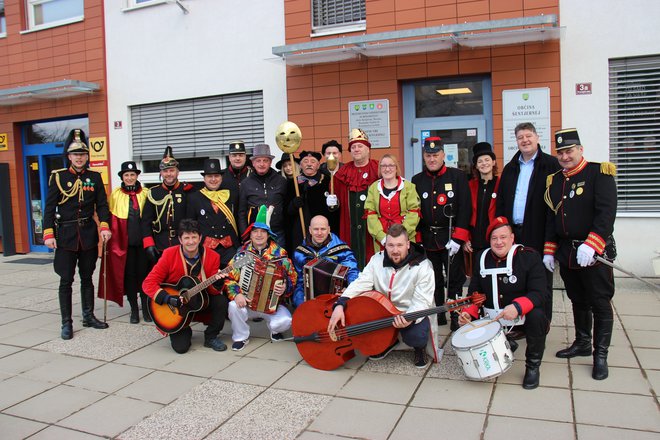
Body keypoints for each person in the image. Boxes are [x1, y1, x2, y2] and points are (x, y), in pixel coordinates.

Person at [543, 128, 617, 380]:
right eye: (561, 152)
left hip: (593, 253)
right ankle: (583, 342)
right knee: (577, 299)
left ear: (580, 149)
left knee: (600, 302)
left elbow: (606, 215)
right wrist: (550, 251)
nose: (565, 156)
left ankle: (601, 355)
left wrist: (592, 243)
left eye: (569, 151)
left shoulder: (600, 173)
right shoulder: (555, 181)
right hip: (568, 254)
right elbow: (553, 218)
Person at [328, 223, 436, 368]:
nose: (395, 250)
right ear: (385, 245)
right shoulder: (376, 260)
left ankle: (419, 348)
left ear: (408, 245)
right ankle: (389, 342)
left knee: (416, 336)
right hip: (382, 312)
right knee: (361, 320)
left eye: (400, 245)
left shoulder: (424, 266)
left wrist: (409, 317)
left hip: (409, 311)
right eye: (391, 245)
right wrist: (340, 303)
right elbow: (361, 282)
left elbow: (422, 301)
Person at [458, 216, 549, 389]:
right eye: (494, 238)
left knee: (537, 316)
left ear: (512, 238)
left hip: (521, 317)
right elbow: (474, 292)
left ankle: (533, 366)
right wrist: (468, 312)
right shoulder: (482, 258)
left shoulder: (529, 257)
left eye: (503, 237)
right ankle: (506, 342)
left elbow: (540, 293)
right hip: (493, 318)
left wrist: (517, 307)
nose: (499, 242)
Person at [43, 129, 111, 339]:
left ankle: (88, 315)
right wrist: (48, 234)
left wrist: (105, 226)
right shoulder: (59, 178)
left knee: (87, 277)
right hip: (66, 235)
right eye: (75, 154)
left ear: (87, 156)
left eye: (83, 154)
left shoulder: (95, 177)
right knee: (66, 280)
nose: (79, 157)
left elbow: (102, 205)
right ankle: (66, 322)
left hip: (88, 234)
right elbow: (49, 207)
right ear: (69, 157)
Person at [496, 122, 561, 323]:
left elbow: (556, 206)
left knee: (540, 281)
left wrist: (551, 244)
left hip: (539, 232)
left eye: (528, 136)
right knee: (515, 278)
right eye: (520, 137)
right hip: (514, 233)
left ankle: (541, 324)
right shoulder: (510, 168)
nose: (524, 140)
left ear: (537, 137)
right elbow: (501, 202)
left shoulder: (551, 165)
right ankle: (519, 322)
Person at [142, 219, 229, 353]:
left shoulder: (213, 257)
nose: (191, 241)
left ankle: (211, 336)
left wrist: (217, 283)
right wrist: (168, 299)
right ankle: (184, 328)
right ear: (180, 240)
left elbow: (212, 292)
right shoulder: (169, 254)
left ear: (200, 238)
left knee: (221, 301)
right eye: (186, 238)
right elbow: (148, 283)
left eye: (194, 237)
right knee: (181, 348)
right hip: (176, 308)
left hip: (200, 302)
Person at [411, 137, 471, 329]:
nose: (432, 159)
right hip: (429, 238)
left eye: (435, 155)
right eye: (428, 155)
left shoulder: (458, 176)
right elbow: (416, 211)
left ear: (443, 155)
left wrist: (458, 238)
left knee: (455, 278)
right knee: (433, 278)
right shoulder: (417, 180)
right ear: (424, 157)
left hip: (451, 236)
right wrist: (418, 238)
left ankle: (455, 313)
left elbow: (465, 209)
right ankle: (439, 313)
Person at [225, 205, 297, 351]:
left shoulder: (280, 255)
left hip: (272, 306)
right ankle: (241, 337)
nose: (259, 235)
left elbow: (293, 278)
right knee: (233, 306)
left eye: (262, 232)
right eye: (255, 232)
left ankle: (275, 330)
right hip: (247, 303)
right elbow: (229, 278)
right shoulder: (242, 255)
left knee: (286, 321)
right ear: (250, 235)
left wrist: (285, 287)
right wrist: (237, 294)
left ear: (268, 234)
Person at [98, 161, 151, 323]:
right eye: (126, 175)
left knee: (145, 276)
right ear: (122, 177)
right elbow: (107, 216)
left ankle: (147, 310)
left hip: (143, 244)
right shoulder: (115, 194)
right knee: (129, 276)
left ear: (137, 176)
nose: (129, 178)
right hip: (124, 245)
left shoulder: (147, 193)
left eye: (132, 175)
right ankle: (134, 310)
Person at [334, 128, 379, 269]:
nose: (356, 149)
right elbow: (336, 204)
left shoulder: (378, 168)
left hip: (372, 228)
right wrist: (332, 204)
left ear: (368, 149)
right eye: (353, 147)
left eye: (360, 146)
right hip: (349, 226)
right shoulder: (342, 172)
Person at [292, 215, 360, 308]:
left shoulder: (342, 250)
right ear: (310, 230)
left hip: (336, 299)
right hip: (310, 301)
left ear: (328, 230)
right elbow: (299, 282)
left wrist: (348, 291)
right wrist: (301, 302)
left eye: (323, 229)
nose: (319, 233)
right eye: (316, 229)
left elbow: (353, 273)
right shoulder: (300, 253)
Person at [141, 146, 195, 264]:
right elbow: (145, 221)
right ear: (161, 173)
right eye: (165, 171)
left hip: (183, 244)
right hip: (160, 245)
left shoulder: (187, 190)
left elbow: (193, 219)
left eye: (171, 170)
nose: (168, 174)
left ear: (177, 172)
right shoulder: (153, 193)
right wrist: (149, 244)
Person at [186, 158, 239, 267]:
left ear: (221, 178)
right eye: (210, 176)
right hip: (206, 249)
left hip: (230, 250)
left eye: (217, 176)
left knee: (231, 281)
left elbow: (239, 219)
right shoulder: (194, 198)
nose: (213, 179)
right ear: (204, 179)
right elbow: (191, 226)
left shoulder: (232, 195)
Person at [365, 154, 420, 252]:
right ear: (380, 168)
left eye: (391, 165)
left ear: (396, 168)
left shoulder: (408, 187)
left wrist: (402, 235)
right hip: (381, 241)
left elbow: (414, 213)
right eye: (383, 166)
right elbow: (371, 214)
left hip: (405, 239)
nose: (387, 169)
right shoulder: (374, 188)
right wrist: (382, 237)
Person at [238, 144, 288, 249]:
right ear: (253, 163)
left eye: (265, 160)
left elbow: (286, 208)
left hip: (278, 233)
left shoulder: (281, 181)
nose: (262, 164)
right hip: (256, 235)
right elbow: (241, 212)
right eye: (258, 161)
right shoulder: (246, 183)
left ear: (270, 162)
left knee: (278, 263)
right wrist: (245, 236)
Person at [286, 150, 335, 252]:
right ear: (300, 165)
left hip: (320, 230)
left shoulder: (326, 181)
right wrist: (294, 204)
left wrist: (334, 204)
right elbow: (286, 211)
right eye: (305, 161)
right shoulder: (292, 183)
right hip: (299, 229)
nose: (309, 164)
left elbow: (333, 211)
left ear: (318, 165)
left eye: (313, 161)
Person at [465, 142, 500, 255]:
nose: (484, 163)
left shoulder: (501, 184)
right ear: (475, 165)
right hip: (474, 241)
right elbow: (464, 213)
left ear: (493, 162)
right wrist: (465, 238)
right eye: (480, 161)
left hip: (495, 239)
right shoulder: (470, 186)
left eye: (487, 160)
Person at [221, 140, 253, 216]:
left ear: (245, 157)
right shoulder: (221, 176)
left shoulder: (253, 174)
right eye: (234, 155)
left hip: (249, 221)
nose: (238, 158)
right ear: (229, 157)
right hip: (228, 222)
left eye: (241, 155)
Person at [319, 139, 342, 233]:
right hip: (324, 219)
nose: (331, 156)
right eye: (328, 153)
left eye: (335, 153)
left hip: (341, 217)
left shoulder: (346, 172)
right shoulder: (319, 173)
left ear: (340, 155)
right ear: (324, 155)